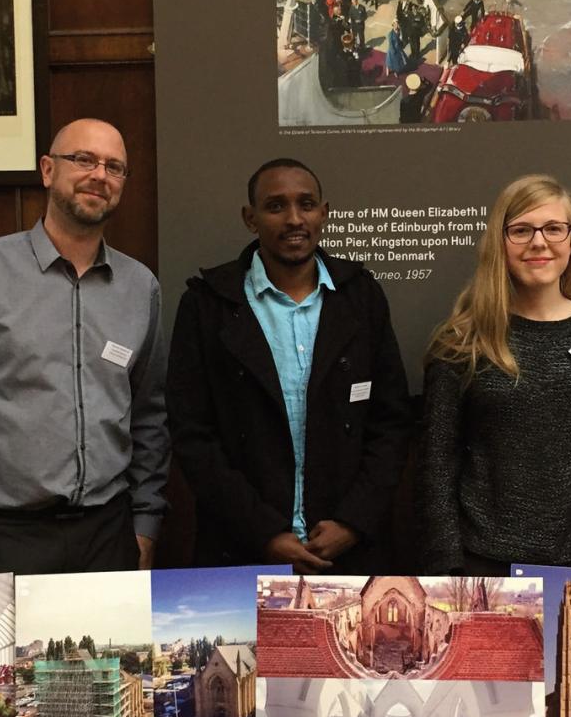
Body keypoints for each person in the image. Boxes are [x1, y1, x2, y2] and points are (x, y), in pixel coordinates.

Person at [0, 118, 168, 576]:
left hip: (107, 536)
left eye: (115, 167)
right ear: (48, 170)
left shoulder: (139, 287)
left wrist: (145, 525)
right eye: (83, 159)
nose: (99, 175)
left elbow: (149, 415)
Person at [166, 158, 413, 573]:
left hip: (349, 552)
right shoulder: (208, 305)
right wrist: (263, 531)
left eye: (307, 204)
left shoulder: (362, 297)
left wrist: (352, 522)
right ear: (251, 218)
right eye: (276, 206)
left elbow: (391, 422)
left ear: (325, 213)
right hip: (241, 548)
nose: (294, 219)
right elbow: (193, 435)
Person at [420, 174, 571, 575]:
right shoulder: (460, 341)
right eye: (521, 230)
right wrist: (449, 570)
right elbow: (437, 465)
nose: (539, 242)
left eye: (553, 229)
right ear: (499, 242)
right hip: (484, 566)